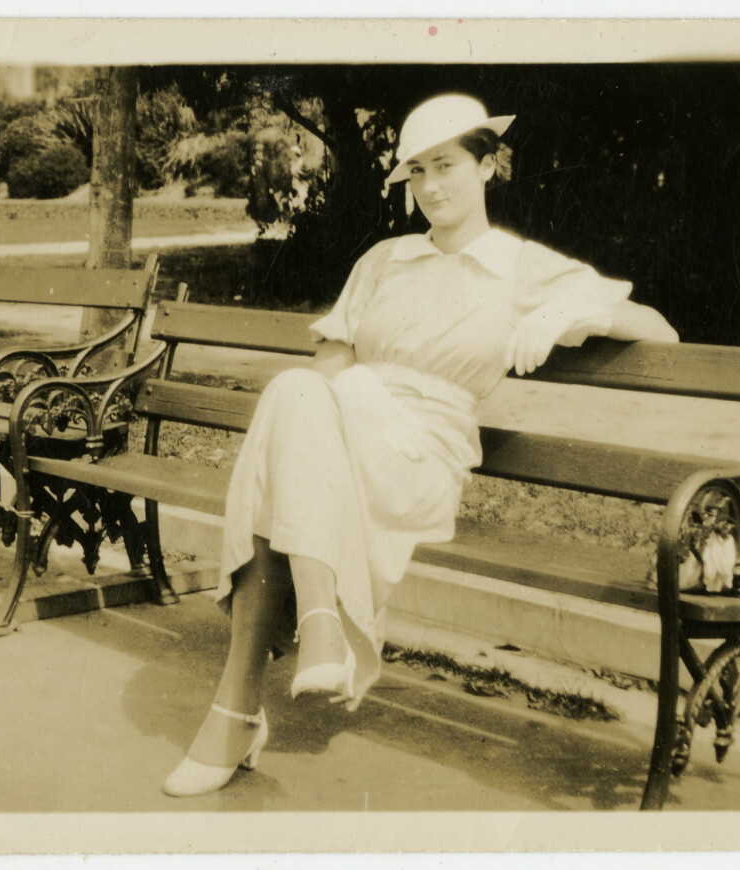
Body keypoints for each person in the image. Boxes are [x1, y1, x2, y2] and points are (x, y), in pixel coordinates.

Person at [162, 94, 679, 797]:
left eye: (447, 166)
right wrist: (325, 435)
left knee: (288, 442)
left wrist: (564, 310)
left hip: (422, 459)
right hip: (345, 433)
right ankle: (302, 643)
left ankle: (261, 690)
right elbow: (330, 363)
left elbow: (658, 328)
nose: (431, 186)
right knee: (296, 397)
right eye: (418, 171)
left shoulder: (521, 267)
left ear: (487, 166)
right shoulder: (385, 259)